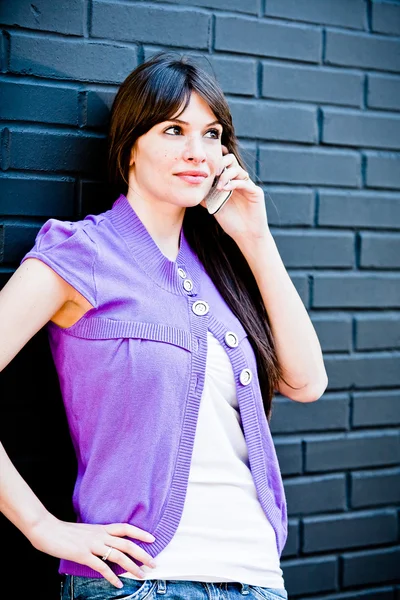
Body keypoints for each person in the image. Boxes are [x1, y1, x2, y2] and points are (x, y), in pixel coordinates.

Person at [0, 51, 328, 600]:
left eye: (211, 133)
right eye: (174, 130)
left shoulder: (220, 266)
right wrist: (41, 527)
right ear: (130, 146)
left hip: (256, 577)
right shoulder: (81, 252)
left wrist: (254, 237)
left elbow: (307, 383)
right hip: (142, 582)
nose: (197, 152)